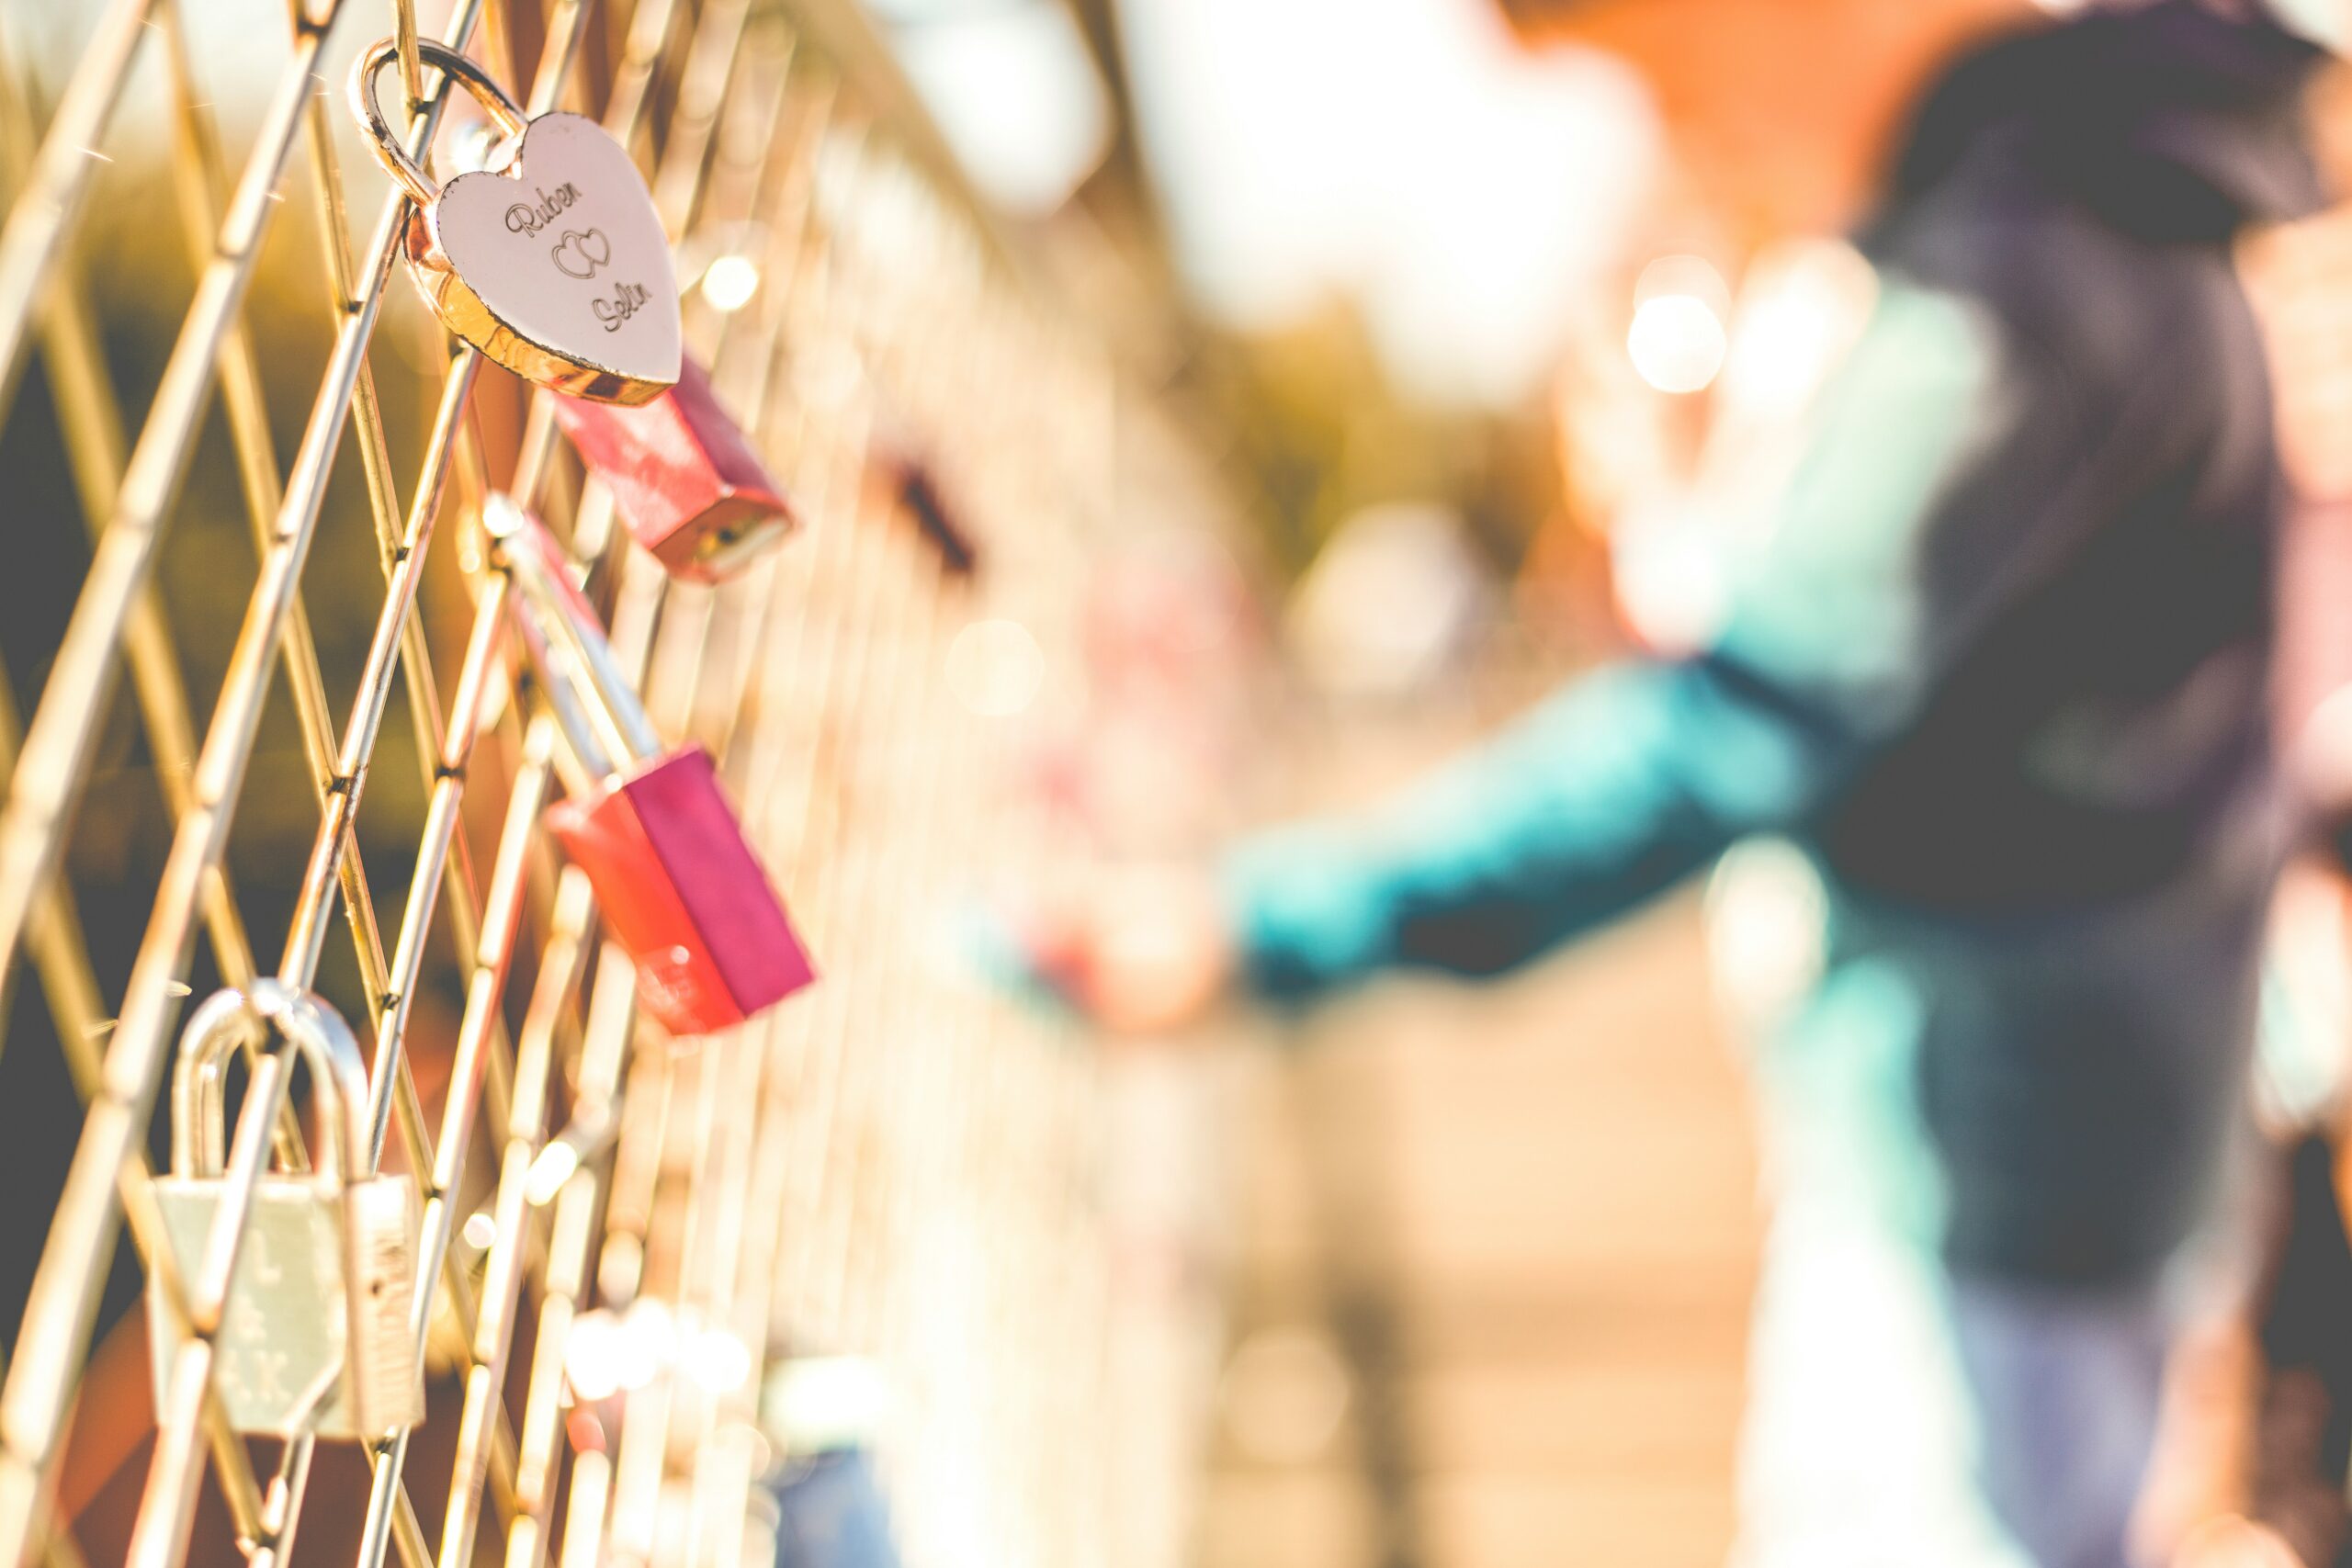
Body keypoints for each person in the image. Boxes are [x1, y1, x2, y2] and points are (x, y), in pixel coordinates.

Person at [1031, 3, 2340, 1563]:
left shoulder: (2017, 287)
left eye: (1631, 42)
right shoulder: (2102, 209)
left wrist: (1261, 930)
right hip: (2077, 1143)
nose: (1647, 112)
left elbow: (1734, 733)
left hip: (1987, 1191)